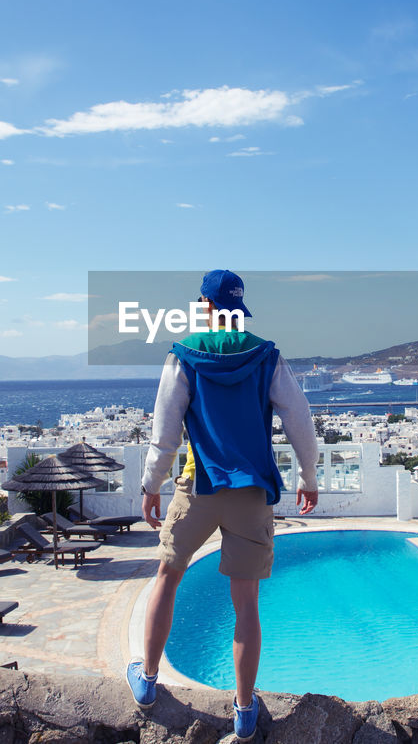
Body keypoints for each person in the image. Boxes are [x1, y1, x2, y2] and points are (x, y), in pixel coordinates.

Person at [125, 269, 318, 741]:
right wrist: (309, 476)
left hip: (199, 488)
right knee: (246, 604)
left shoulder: (184, 355)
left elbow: (165, 433)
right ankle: (245, 710)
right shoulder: (267, 355)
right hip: (250, 492)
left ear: (205, 306)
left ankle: (148, 682)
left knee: (167, 579)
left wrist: (151, 485)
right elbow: (300, 418)